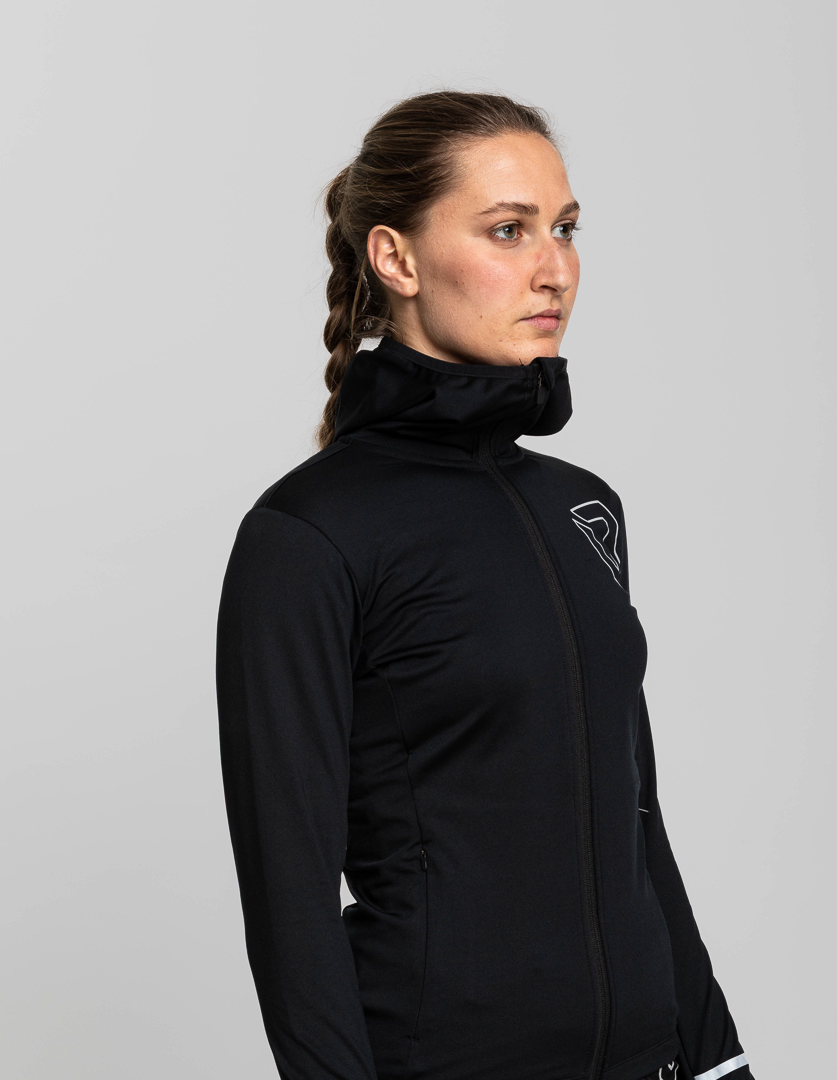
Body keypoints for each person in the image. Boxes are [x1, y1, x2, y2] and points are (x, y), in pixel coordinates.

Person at [216, 91, 754, 1080]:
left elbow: (639, 825)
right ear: (397, 259)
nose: (555, 269)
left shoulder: (585, 508)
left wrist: (718, 1062)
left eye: (565, 229)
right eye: (509, 230)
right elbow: (288, 904)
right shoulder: (310, 535)